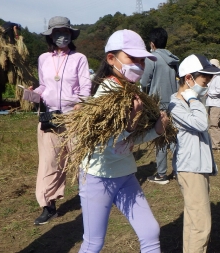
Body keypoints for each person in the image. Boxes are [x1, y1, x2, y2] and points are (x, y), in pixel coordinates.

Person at [79, 29, 169, 253]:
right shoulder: (107, 94)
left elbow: (129, 141)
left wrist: (156, 130)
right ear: (111, 58)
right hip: (98, 177)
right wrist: (128, 126)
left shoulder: (131, 90)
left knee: (150, 232)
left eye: (142, 60)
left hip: (125, 173)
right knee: (93, 243)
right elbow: (102, 141)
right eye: (132, 58)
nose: (139, 64)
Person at [31, 16, 91, 225]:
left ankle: (91, 197)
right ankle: (48, 205)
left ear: (71, 35)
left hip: (73, 116)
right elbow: (43, 87)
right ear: (51, 36)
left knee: (81, 158)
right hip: (49, 116)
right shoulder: (43, 59)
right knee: (49, 162)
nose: (61, 36)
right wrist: (33, 93)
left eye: (65, 32)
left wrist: (81, 104)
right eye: (57, 33)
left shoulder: (79, 58)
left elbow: (85, 89)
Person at [169, 54, 220, 252]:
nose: (208, 83)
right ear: (188, 79)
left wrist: (195, 98)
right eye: (204, 78)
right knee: (201, 224)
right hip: (190, 168)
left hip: (196, 167)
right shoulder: (176, 105)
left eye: (209, 79)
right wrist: (194, 99)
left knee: (194, 220)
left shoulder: (192, 101)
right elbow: (202, 124)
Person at [140, 28, 180, 185]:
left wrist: (146, 96)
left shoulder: (152, 58)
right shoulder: (174, 59)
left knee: (160, 138)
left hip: (158, 104)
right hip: (174, 102)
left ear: (152, 44)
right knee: (173, 138)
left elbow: (144, 82)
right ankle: (178, 170)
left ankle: (162, 174)